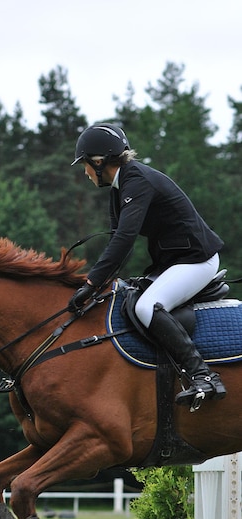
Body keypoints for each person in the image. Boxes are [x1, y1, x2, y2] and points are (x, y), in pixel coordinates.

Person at [68, 123, 226, 410]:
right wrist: (99, 283)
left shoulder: (136, 181)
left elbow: (125, 240)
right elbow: (117, 238)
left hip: (196, 259)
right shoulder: (121, 185)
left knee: (146, 307)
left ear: (99, 162)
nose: (85, 173)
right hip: (173, 262)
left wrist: (91, 283)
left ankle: (203, 376)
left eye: (85, 165)